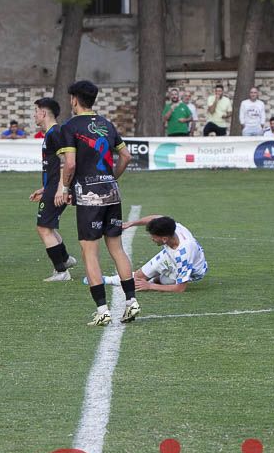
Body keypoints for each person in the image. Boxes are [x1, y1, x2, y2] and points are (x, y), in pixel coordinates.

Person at [55, 79, 140, 326]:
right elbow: (125, 155)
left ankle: (102, 309)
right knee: (117, 248)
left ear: (74, 100)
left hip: (89, 195)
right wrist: (112, 177)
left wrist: (64, 187)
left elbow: (69, 163)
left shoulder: (70, 126)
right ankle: (131, 302)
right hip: (112, 193)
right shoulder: (106, 124)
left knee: (89, 252)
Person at [28, 97, 77, 282]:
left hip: (59, 189)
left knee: (43, 228)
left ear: (43, 113)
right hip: (53, 187)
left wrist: (61, 189)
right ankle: (65, 259)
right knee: (47, 226)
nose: (34, 115)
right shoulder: (51, 134)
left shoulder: (55, 133)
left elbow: (67, 162)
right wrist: (45, 188)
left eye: (35, 111)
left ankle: (61, 271)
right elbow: (54, 167)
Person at [97, 215, 207, 293]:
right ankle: (107, 280)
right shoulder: (173, 227)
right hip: (169, 255)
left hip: (194, 270)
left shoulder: (184, 254)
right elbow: (155, 218)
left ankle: (157, 279)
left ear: (164, 239)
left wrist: (150, 286)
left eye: (153, 236)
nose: (151, 239)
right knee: (138, 278)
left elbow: (180, 288)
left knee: (162, 281)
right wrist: (132, 223)